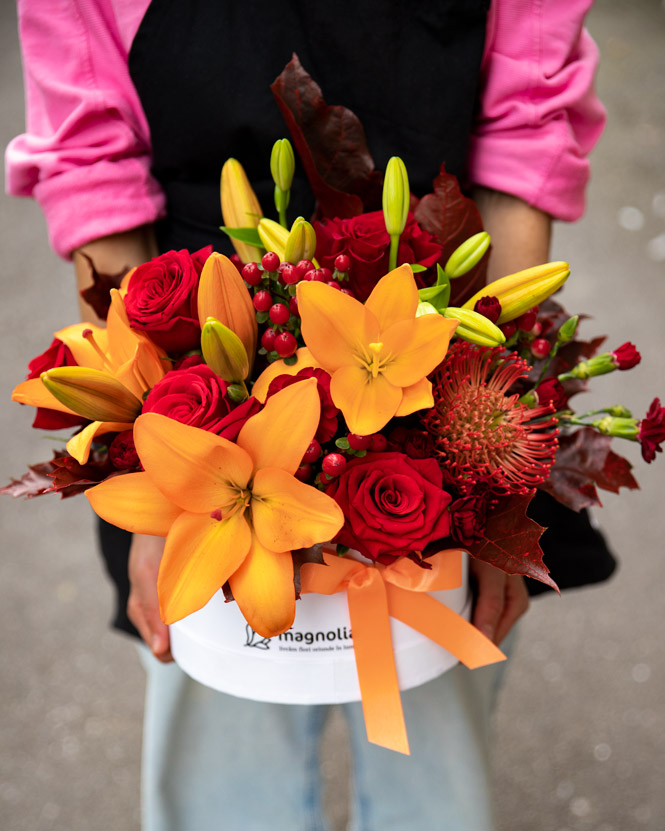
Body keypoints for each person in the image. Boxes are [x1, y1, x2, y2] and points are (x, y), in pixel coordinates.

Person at [6, 2, 610, 829]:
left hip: (441, 354)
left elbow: (523, 140)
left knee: (431, 768)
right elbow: (91, 165)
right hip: (198, 350)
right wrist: (162, 470)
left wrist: (492, 471)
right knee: (224, 776)